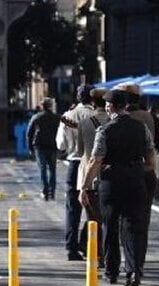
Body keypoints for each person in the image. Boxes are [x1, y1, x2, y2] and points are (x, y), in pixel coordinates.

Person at [80, 89, 155, 286]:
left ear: (110, 107)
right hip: (135, 181)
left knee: (110, 226)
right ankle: (133, 272)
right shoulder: (142, 128)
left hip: (111, 182)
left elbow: (96, 160)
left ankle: (112, 272)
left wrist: (85, 187)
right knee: (133, 228)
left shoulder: (104, 131)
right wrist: (136, 170)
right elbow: (151, 161)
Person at [115, 82, 159, 270]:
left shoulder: (118, 119)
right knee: (142, 220)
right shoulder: (150, 117)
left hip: (123, 173)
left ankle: (128, 260)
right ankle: (139, 262)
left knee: (124, 219)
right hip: (147, 174)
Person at [57, 84, 104, 261]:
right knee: (94, 210)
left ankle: (71, 248)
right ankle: (91, 244)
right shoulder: (95, 116)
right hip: (92, 165)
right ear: (92, 98)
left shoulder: (67, 116)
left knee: (72, 209)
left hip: (73, 163)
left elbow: (60, 144)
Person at [26, 97, 60, 200]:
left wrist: (30, 148)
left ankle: (45, 191)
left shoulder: (36, 117)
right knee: (52, 170)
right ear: (50, 106)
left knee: (43, 169)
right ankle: (52, 192)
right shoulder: (57, 118)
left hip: (39, 146)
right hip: (53, 146)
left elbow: (29, 133)